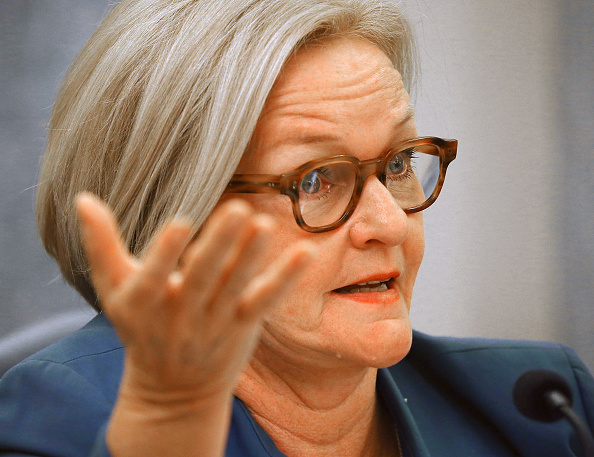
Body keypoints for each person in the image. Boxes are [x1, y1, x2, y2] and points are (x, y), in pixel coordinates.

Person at [0, 0, 592, 456]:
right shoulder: (57, 419)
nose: (388, 223)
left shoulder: (543, 406)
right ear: (176, 220)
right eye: (315, 179)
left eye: (398, 164)